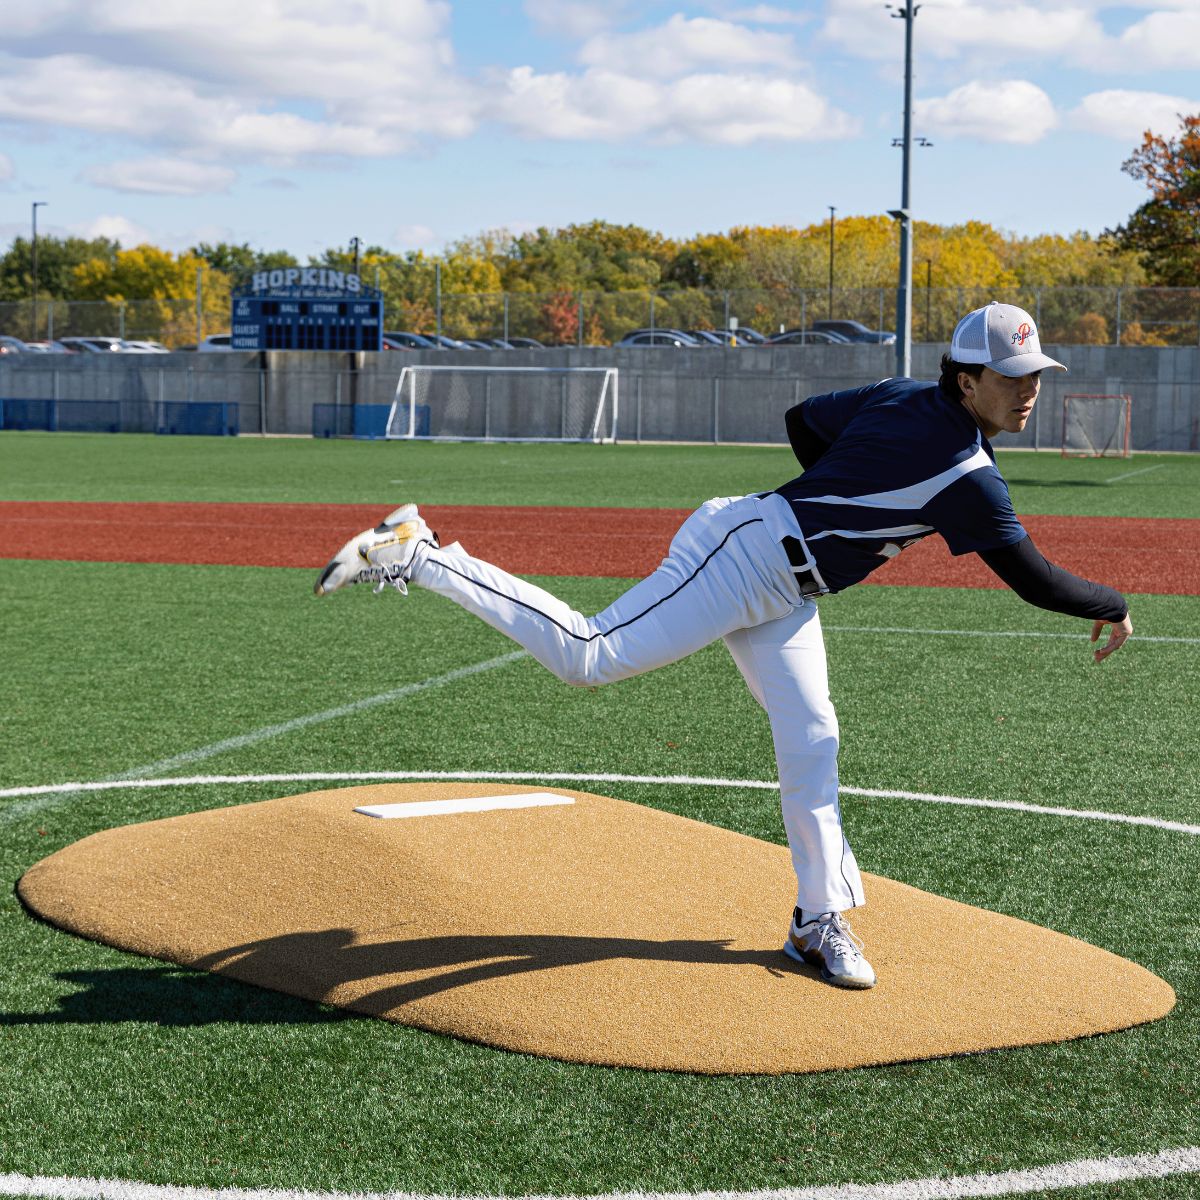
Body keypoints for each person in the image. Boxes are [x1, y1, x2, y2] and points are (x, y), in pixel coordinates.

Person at [314, 301, 1132, 990]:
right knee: (588, 657)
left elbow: (804, 423)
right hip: (743, 555)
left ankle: (818, 921)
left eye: (1036, 377)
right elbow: (1033, 580)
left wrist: (830, 499)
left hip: (780, 575)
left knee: (813, 739)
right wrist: (1116, 603)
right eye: (1015, 378)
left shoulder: (898, 395)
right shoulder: (967, 475)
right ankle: (420, 553)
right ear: (967, 379)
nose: (1030, 392)